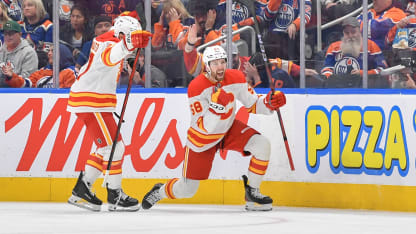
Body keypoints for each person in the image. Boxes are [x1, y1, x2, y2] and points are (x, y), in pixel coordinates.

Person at [141, 45, 287, 211]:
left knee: (262, 145)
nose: (220, 67)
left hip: (227, 129)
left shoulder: (236, 77)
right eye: (215, 63)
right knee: (187, 190)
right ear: (207, 66)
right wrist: (216, 108)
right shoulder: (196, 88)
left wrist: (269, 103)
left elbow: (253, 104)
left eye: (222, 62)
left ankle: (252, 192)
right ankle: (159, 191)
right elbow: (204, 128)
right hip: (202, 140)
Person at [66, 11, 152, 212]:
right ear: (123, 33)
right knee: (115, 147)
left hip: (95, 101)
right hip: (92, 101)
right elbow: (109, 57)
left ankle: (82, 190)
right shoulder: (109, 43)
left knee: (105, 148)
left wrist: (129, 56)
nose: (131, 41)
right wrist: (128, 45)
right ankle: (115, 195)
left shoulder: (112, 40)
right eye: (130, 36)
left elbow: (114, 60)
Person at [321, 17, 388, 79]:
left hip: (364, 88)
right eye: (347, 33)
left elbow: (382, 69)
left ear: (359, 31)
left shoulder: (371, 46)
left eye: (353, 32)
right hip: (339, 88)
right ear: (343, 33)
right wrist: (330, 78)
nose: (350, 35)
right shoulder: (333, 47)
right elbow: (327, 68)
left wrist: (364, 73)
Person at [6, 43, 77, 88]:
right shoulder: (42, 71)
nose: (49, 53)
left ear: (63, 53)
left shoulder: (71, 72)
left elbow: (69, 95)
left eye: (53, 51)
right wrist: (12, 76)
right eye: (49, 51)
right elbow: (26, 85)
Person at [0, 20, 38, 87]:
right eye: (5, 34)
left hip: (19, 92)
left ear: (20, 34)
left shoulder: (29, 52)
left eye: (11, 33)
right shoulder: (1, 50)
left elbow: (28, 80)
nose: (8, 36)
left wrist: (10, 77)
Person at [21, 0, 53, 68]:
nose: (26, 8)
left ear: (38, 7)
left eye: (30, 5)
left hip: (40, 66)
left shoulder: (48, 26)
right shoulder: (19, 25)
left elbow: (47, 54)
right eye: (24, 6)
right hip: (20, 64)